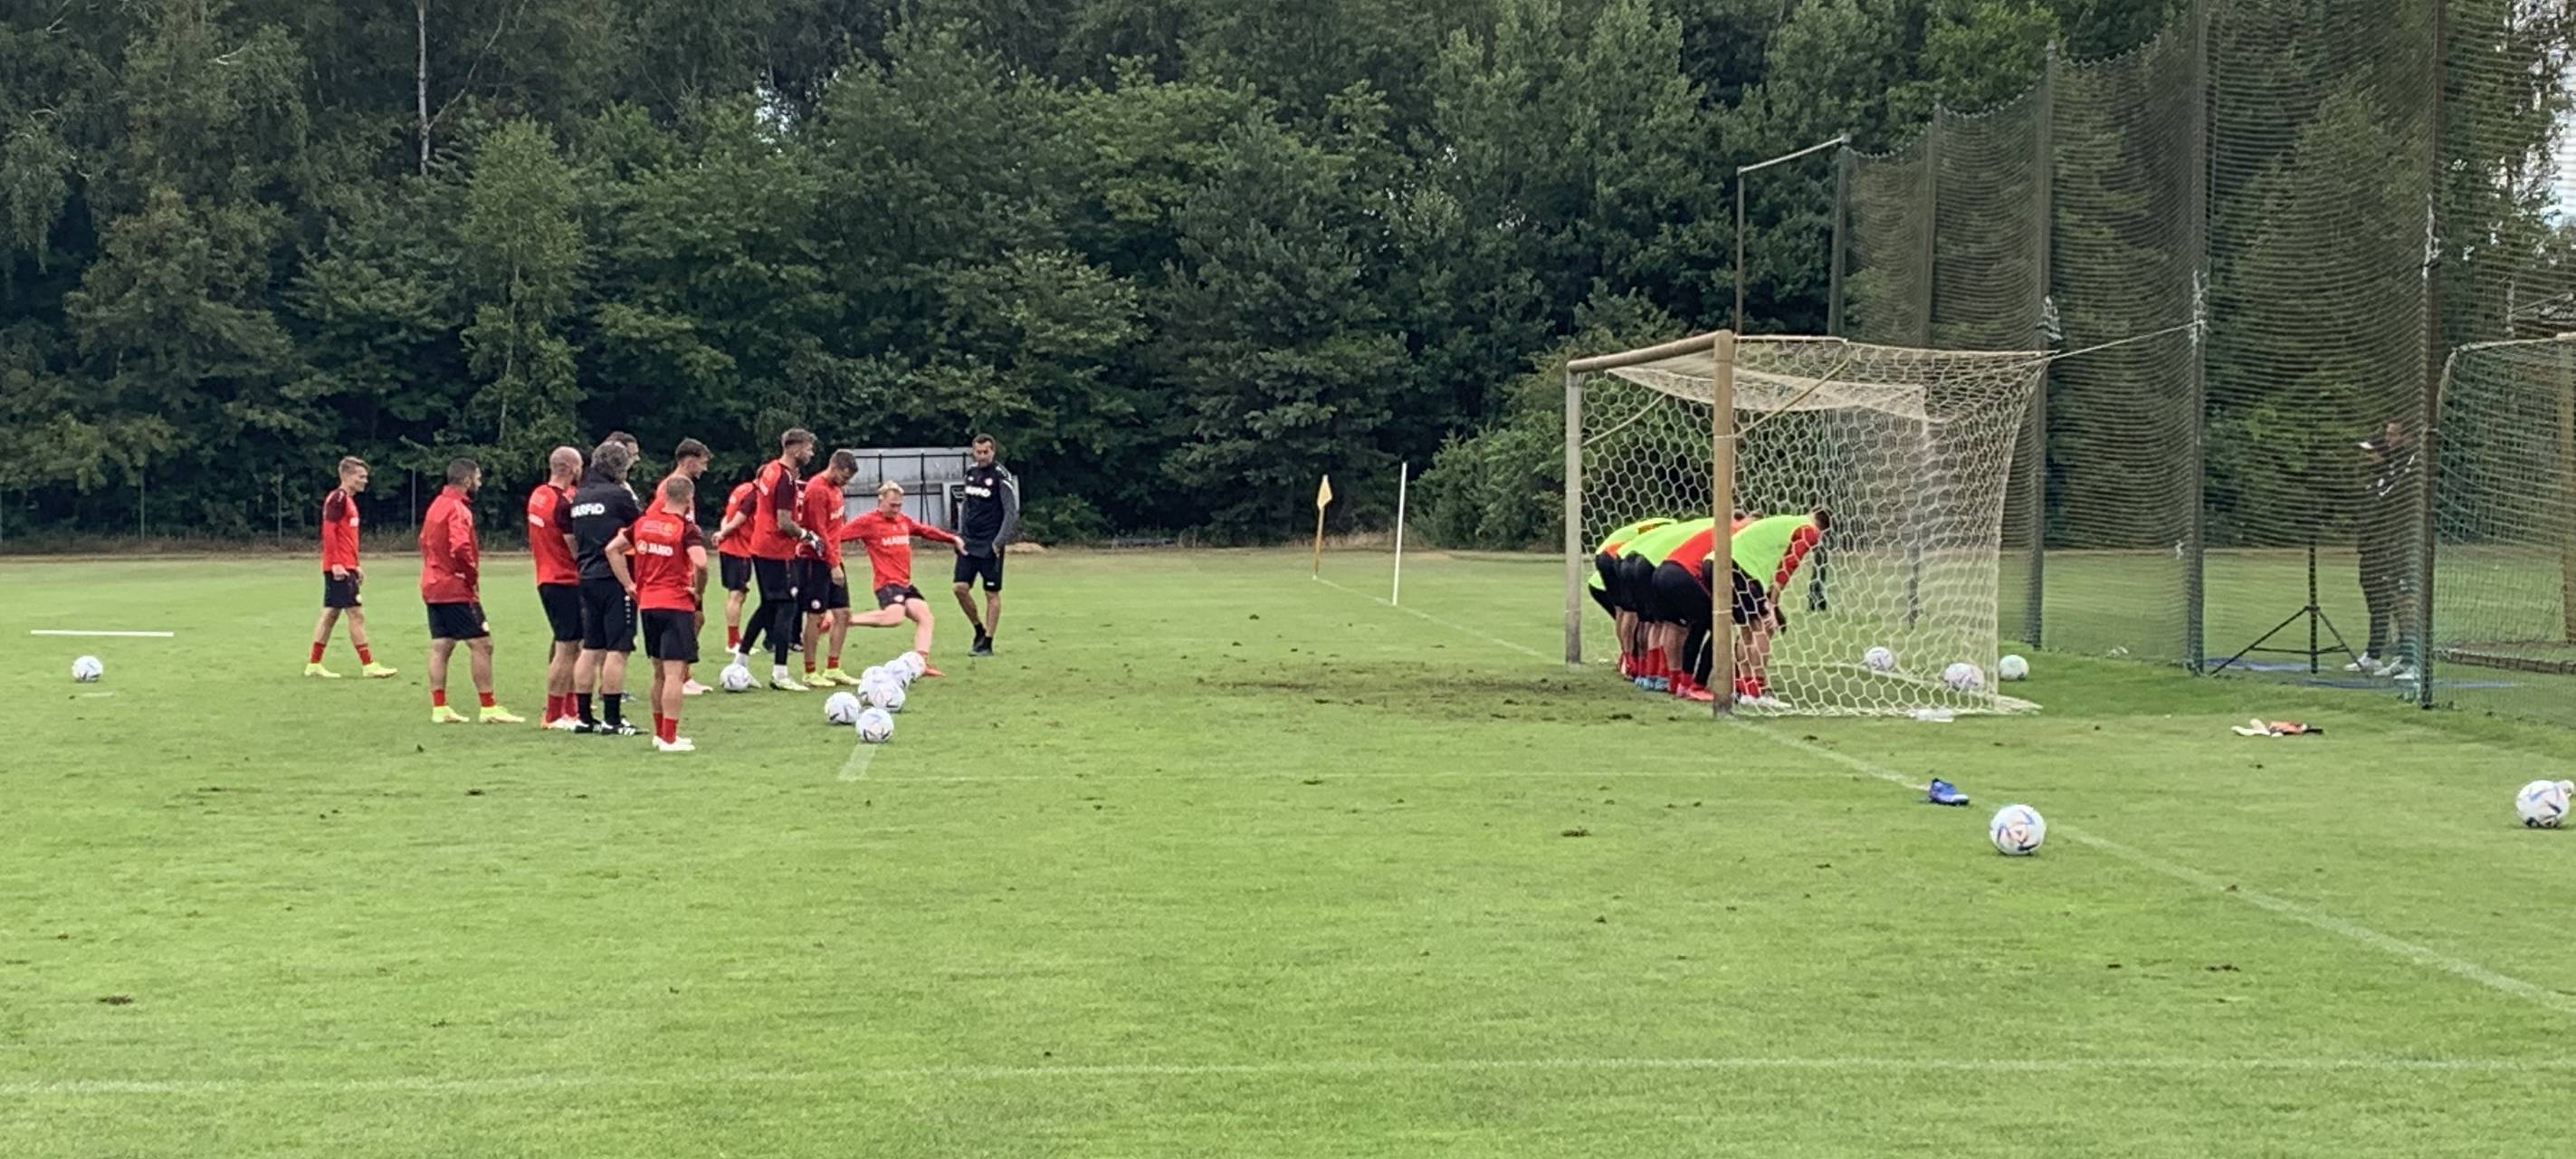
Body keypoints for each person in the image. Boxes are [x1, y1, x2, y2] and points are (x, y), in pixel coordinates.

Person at [607, 474, 711, 753]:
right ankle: (670, 737)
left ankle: (659, 733)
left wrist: (629, 584)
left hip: (649, 605)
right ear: (689, 499)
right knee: (675, 674)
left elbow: (612, 549)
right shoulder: (686, 528)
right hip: (676, 604)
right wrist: (697, 591)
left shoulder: (643, 523)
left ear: (664, 497)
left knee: (659, 675)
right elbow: (701, 564)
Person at [418, 458, 521, 724]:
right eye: (477, 478)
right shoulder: (458, 509)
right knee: (482, 644)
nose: (479, 482)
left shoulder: (436, 505)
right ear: (466, 481)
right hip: (455, 586)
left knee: (442, 644)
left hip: (432, 583)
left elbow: (423, 541)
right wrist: (470, 574)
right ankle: (488, 707)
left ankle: (439, 707)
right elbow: (461, 546)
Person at [839, 480, 964, 676]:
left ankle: (920, 663)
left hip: (905, 584)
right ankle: (845, 620)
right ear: (880, 500)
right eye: (892, 505)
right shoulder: (868, 522)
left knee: (925, 617)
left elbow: (925, 531)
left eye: (899, 505)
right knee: (894, 617)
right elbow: (838, 535)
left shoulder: (903, 520)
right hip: (887, 583)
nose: (896, 509)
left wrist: (952, 538)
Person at [736, 427, 821, 690]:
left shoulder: (767, 469)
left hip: (760, 547)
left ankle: (739, 663)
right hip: (776, 550)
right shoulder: (784, 478)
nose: (811, 453)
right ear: (794, 448)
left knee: (768, 605)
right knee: (786, 606)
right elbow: (784, 522)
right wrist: (808, 535)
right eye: (808, 448)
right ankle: (780, 673)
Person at [569, 439, 645, 734]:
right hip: (616, 577)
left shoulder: (579, 496)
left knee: (591, 647)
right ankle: (613, 719)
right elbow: (641, 526)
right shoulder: (618, 496)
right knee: (618, 649)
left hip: (586, 574)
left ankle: (584, 717)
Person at [1727, 509, 1831, 708]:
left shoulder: (1790, 521)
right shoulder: (1809, 531)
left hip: (1727, 561)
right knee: (1764, 626)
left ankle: (1746, 690)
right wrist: (1772, 604)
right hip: (1743, 566)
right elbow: (1788, 566)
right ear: (1823, 531)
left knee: (1747, 628)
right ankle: (1758, 691)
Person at [306, 456, 397, 679]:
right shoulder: (338, 498)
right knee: (356, 614)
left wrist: (356, 564)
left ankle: (314, 664)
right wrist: (337, 563)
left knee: (330, 615)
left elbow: (347, 537)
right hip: (339, 568)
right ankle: (368, 665)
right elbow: (329, 532)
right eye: (361, 476)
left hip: (347, 566)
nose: (365, 480)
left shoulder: (348, 500)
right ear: (347, 476)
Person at [1613, 517, 1713, 690]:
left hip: (1629, 559)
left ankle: (1646, 672)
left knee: (1651, 621)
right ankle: (1667, 676)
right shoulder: (1723, 531)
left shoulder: (1697, 526)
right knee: (1678, 625)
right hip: (1654, 564)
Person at [2354, 420, 2419, 681]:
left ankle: (2414, 660)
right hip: (2389, 543)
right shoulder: (2395, 466)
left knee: (2406, 602)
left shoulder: (2413, 464)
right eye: (2387, 434)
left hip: (2402, 542)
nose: (2388, 439)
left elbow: (2391, 498)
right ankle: (2403, 657)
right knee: (2395, 600)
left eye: (2394, 434)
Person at [527, 445, 585, 729]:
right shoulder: (562, 505)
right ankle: (553, 714)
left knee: (571, 648)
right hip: (564, 579)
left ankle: (570, 709)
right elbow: (574, 548)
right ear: (572, 468)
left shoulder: (539, 495)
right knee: (567, 648)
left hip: (545, 575)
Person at [797, 450, 862, 686]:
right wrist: (833, 564)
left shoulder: (837, 489)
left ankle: (833, 667)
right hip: (816, 560)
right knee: (816, 616)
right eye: (844, 478)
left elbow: (835, 527)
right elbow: (819, 531)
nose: (845, 483)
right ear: (833, 467)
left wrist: (837, 557)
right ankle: (810, 671)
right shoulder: (817, 489)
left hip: (834, 557)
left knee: (843, 613)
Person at [953, 434, 1021, 656]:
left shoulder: (1001, 477)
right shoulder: (970, 473)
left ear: (993, 452)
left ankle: (988, 642)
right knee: (959, 588)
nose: (982, 456)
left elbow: (1011, 513)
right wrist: (960, 535)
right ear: (973, 451)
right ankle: (978, 629)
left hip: (990, 544)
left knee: (991, 593)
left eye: (986, 452)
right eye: (978, 452)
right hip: (969, 542)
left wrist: (999, 541)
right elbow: (966, 507)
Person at [1589, 517, 1674, 678]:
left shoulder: (1669, 525)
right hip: (1617, 555)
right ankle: (1632, 661)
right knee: (1632, 611)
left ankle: (1626, 658)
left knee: (1622, 610)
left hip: (1607, 554)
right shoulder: (1671, 528)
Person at [667, 438, 715, 695]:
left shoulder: (685, 489)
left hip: (687, 566)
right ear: (689, 460)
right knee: (688, 620)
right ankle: (678, 677)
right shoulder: (670, 488)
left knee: (697, 618)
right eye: (702, 462)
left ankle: (684, 674)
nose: (704, 469)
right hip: (678, 570)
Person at [714, 475, 758, 656]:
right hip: (739, 549)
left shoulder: (742, 488)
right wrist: (723, 533)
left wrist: (722, 533)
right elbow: (738, 519)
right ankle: (733, 642)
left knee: (737, 594)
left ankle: (735, 640)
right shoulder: (753, 494)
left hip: (730, 548)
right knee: (737, 595)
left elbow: (727, 516)